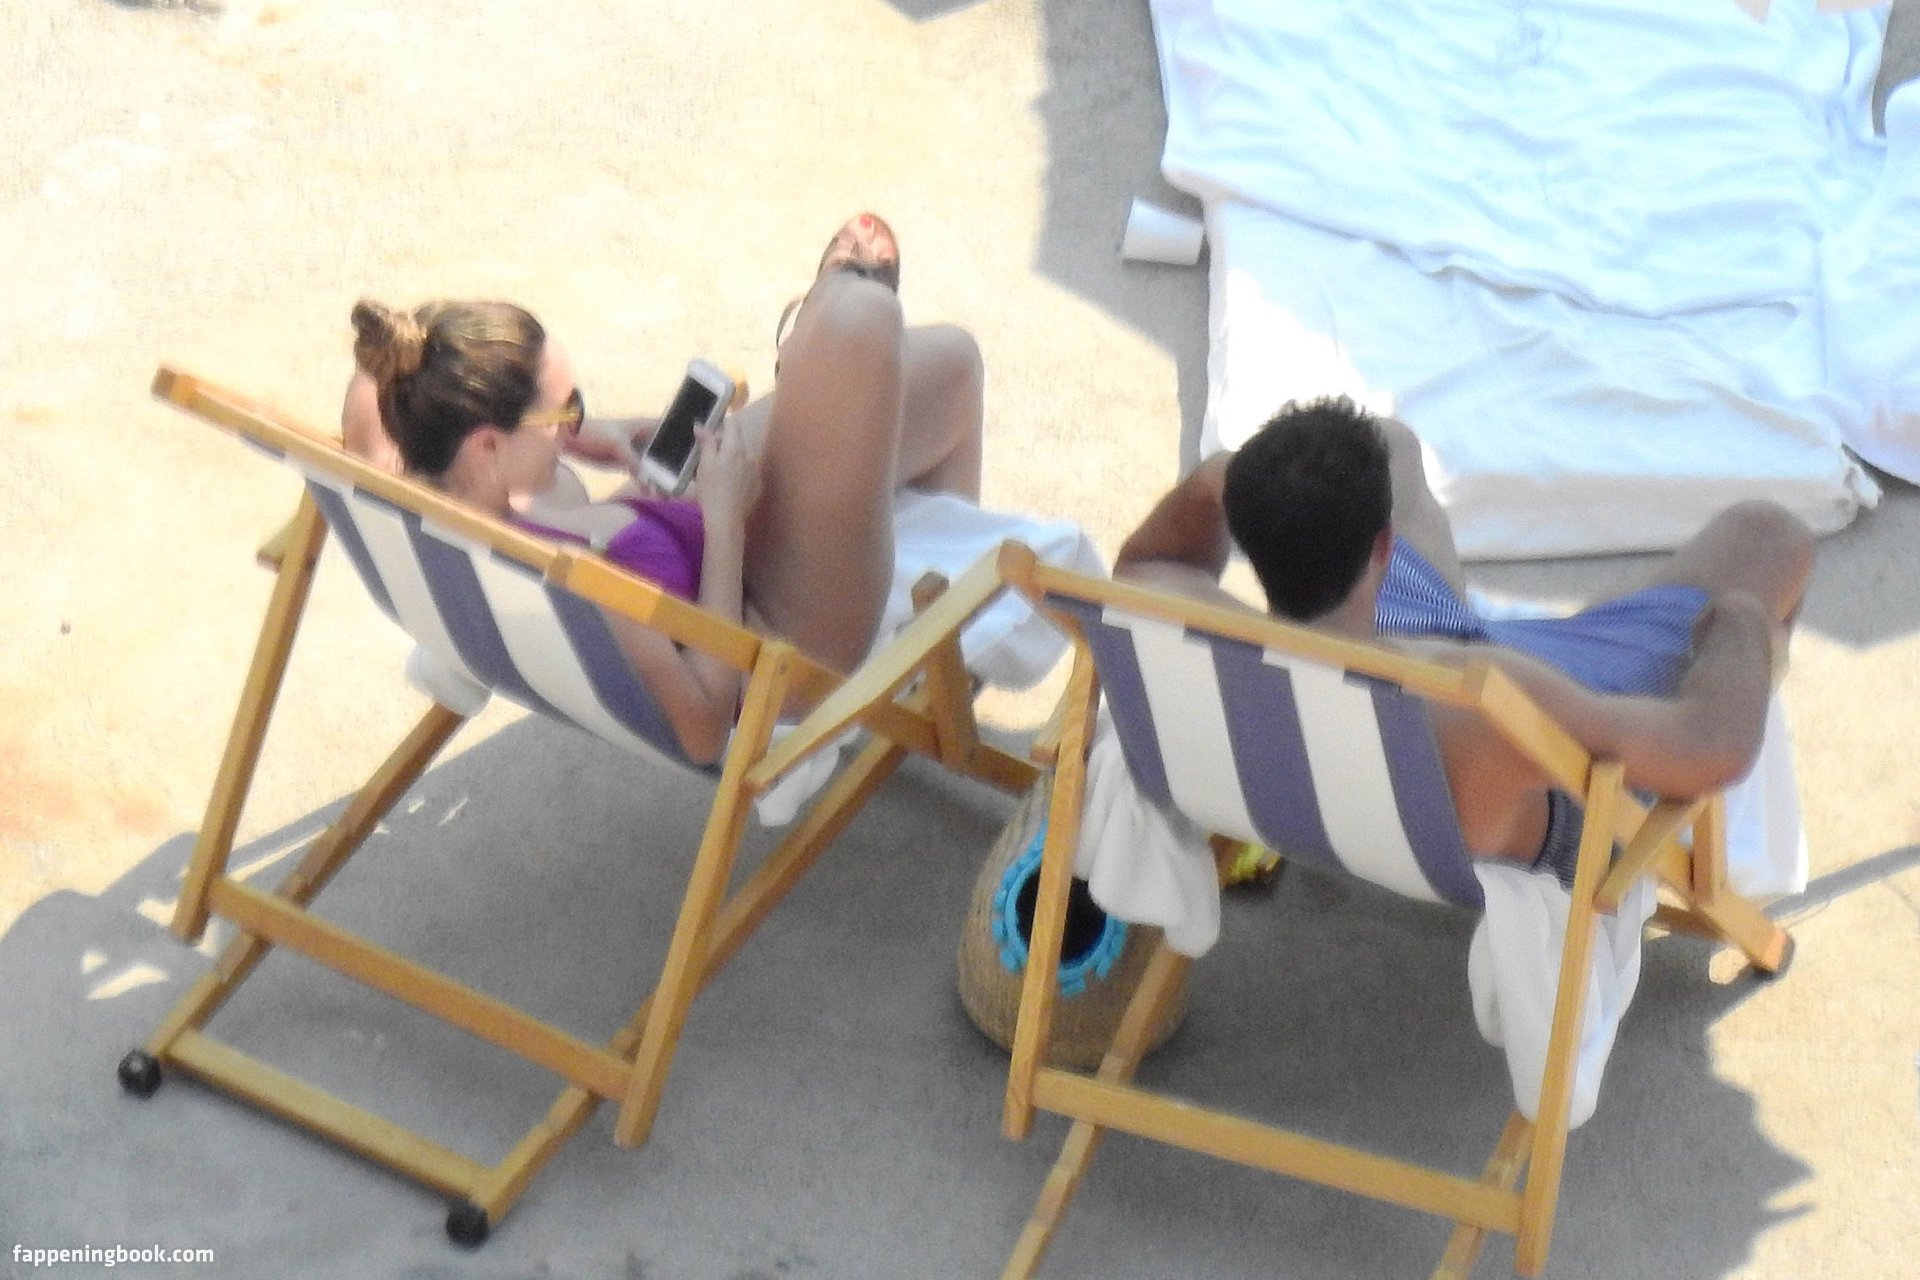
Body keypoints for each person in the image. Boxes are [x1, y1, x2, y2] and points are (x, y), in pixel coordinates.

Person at [344, 214, 988, 765]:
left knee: (951, 363)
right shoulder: (586, 582)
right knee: (865, 323)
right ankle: (818, 325)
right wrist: (725, 522)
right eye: (566, 409)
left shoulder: (420, 502)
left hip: (685, 525)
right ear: (488, 446)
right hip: (773, 639)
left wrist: (581, 436)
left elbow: (377, 380)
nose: (575, 422)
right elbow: (705, 729)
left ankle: (816, 338)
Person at [1114, 395, 1814, 882]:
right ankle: (1625, 629)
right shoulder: (1484, 696)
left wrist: (1226, 479)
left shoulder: (1174, 619)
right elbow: (1715, 750)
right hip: (1520, 796)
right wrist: (1742, 623)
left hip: (1371, 704)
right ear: (1383, 547)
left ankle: (1591, 628)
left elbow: (1157, 557)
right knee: (1771, 536)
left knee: (1388, 443)